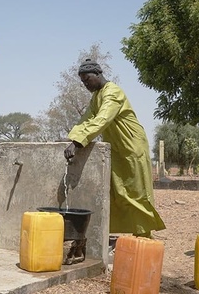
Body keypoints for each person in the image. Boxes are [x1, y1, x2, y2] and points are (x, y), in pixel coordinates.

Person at [64, 59, 165, 238]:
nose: (86, 84)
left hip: (132, 147)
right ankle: (134, 235)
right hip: (117, 149)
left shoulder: (112, 92)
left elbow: (102, 119)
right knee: (120, 192)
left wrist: (78, 142)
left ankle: (144, 236)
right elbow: (87, 119)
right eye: (83, 82)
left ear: (98, 74)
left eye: (87, 79)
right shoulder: (96, 97)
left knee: (137, 192)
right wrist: (73, 139)